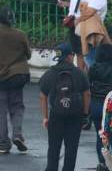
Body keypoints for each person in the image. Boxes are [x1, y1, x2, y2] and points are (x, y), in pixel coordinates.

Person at [0, 7, 31, 154]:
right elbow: (28, 55)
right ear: (12, 20)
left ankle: (3, 143)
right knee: (17, 107)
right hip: (18, 76)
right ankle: (17, 135)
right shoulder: (20, 35)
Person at [40, 42, 89, 171]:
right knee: (71, 149)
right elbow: (87, 93)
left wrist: (45, 117)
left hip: (56, 116)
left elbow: (43, 96)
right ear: (69, 56)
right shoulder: (79, 73)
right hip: (75, 117)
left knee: (54, 148)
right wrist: (84, 114)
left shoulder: (50, 73)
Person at [60, 0, 94, 72]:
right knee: (77, 50)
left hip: (83, 22)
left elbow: (91, 6)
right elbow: (76, 3)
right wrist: (66, 4)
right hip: (74, 22)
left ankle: (84, 76)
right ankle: (80, 74)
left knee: (84, 51)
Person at [78, 0, 110, 67]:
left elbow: (89, 13)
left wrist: (78, 20)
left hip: (93, 30)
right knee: (89, 57)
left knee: (90, 58)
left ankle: (94, 79)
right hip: (91, 29)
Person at [89, 44, 112, 170]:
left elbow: (88, 86)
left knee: (100, 135)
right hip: (109, 105)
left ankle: (102, 162)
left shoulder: (93, 68)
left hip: (96, 105)